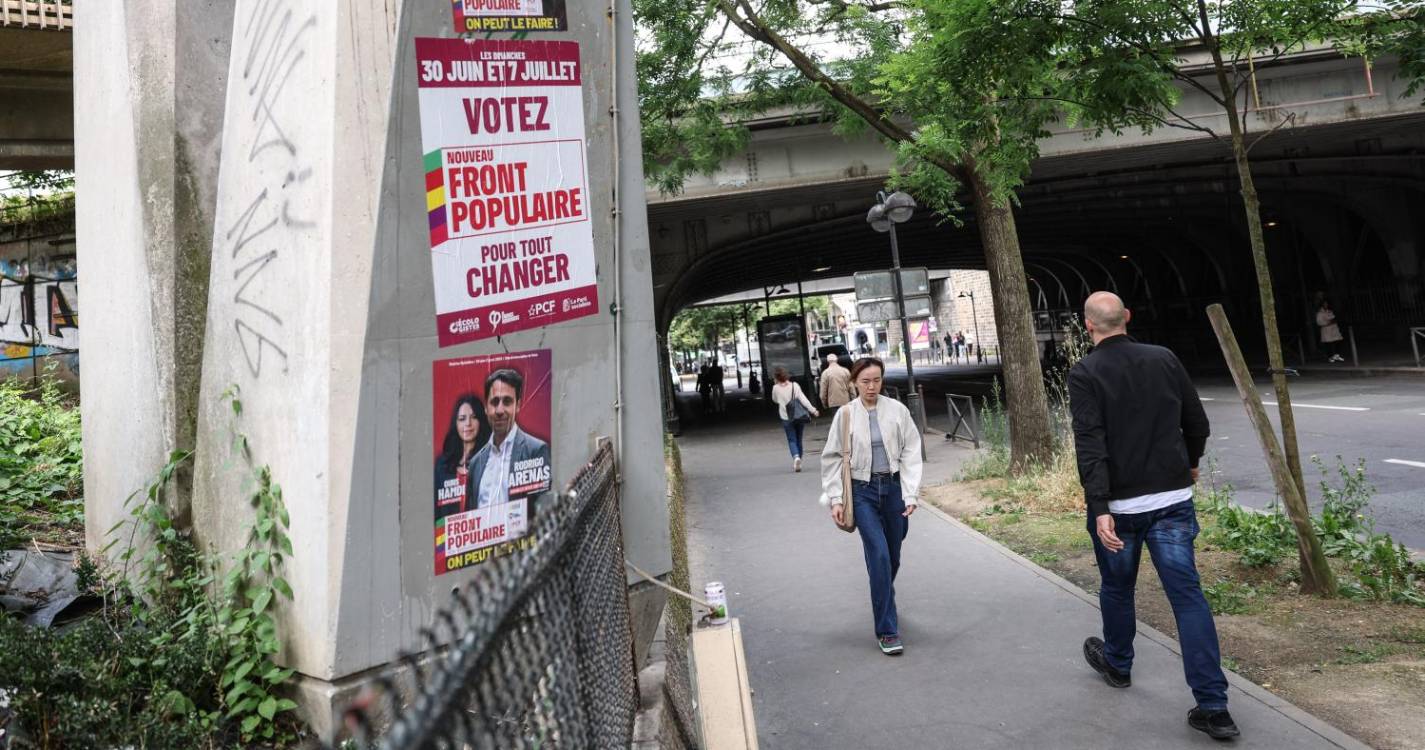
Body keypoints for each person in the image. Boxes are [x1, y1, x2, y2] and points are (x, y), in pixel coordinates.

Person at [1068, 291, 1237, 740]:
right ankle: (1214, 706)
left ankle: (1119, 664)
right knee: (1188, 598)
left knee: (1118, 588)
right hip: (1172, 501)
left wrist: (1100, 505)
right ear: (1127, 317)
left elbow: (1091, 442)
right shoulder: (1164, 358)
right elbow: (1196, 420)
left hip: (1120, 508)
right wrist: (1192, 462)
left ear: (1088, 326)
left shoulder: (1085, 372)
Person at [820, 357, 922, 656]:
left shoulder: (897, 411)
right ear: (854, 382)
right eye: (865, 381)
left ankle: (883, 595)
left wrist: (911, 493)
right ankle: (888, 630)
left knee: (893, 556)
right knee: (878, 554)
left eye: (876, 380)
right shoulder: (845, 415)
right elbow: (833, 457)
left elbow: (911, 451)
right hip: (862, 492)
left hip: (892, 490)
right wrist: (836, 498)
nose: (871, 386)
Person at [466, 368, 552, 509]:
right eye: (494, 402)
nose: (500, 410)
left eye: (507, 401)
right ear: (486, 408)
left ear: (517, 405)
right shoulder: (476, 463)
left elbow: (544, 514)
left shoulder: (535, 451)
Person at [434, 394, 491, 520]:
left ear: (481, 421)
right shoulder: (442, 464)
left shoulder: (492, 460)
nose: (468, 424)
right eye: (462, 419)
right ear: (456, 424)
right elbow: (436, 513)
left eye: (474, 417)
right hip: (448, 537)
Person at [770, 367, 819, 472]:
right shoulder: (795, 386)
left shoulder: (775, 388)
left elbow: (774, 400)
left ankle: (796, 457)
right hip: (798, 416)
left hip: (786, 417)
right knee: (799, 438)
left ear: (776, 377)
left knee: (791, 439)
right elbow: (803, 400)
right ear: (786, 375)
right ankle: (799, 461)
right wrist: (813, 410)